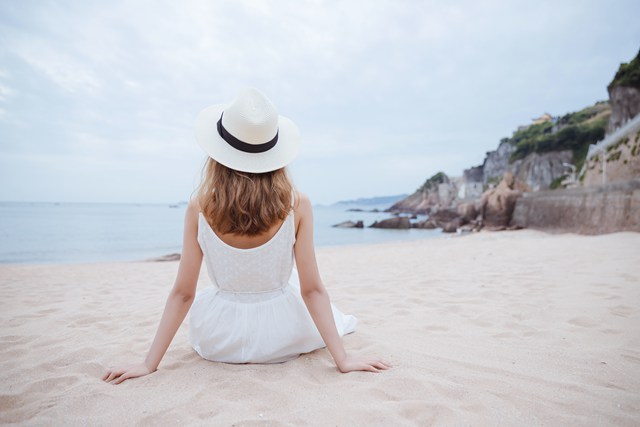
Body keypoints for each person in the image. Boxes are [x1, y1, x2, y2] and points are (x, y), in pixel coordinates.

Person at [102, 88, 391, 385]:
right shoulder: (297, 204)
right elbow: (312, 290)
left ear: (218, 154)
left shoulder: (198, 207)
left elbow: (183, 293)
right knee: (289, 283)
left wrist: (149, 363)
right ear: (275, 154)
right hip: (282, 336)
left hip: (219, 339)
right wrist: (342, 359)